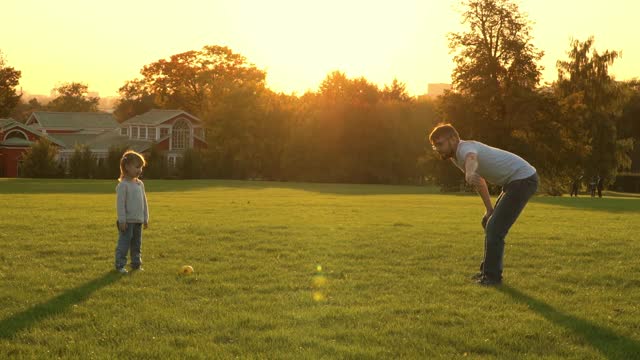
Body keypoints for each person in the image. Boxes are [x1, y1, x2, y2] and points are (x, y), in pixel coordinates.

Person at [429, 124, 538, 285]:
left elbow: (472, 159)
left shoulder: (465, 148)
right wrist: (489, 209)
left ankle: (492, 277)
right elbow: (480, 182)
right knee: (489, 222)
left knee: (495, 228)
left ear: (453, 139)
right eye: (434, 146)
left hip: (523, 180)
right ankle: (487, 272)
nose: (437, 149)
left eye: (439, 144)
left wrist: (470, 172)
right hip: (514, 182)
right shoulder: (456, 157)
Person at [115, 150, 149, 274]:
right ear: (127, 167)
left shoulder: (140, 184)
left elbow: (144, 202)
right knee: (124, 244)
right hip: (127, 222)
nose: (139, 170)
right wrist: (122, 220)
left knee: (136, 244)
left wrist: (145, 218)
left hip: (138, 221)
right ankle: (120, 265)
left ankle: (136, 264)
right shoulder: (123, 186)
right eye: (137, 167)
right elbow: (120, 205)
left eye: (141, 167)